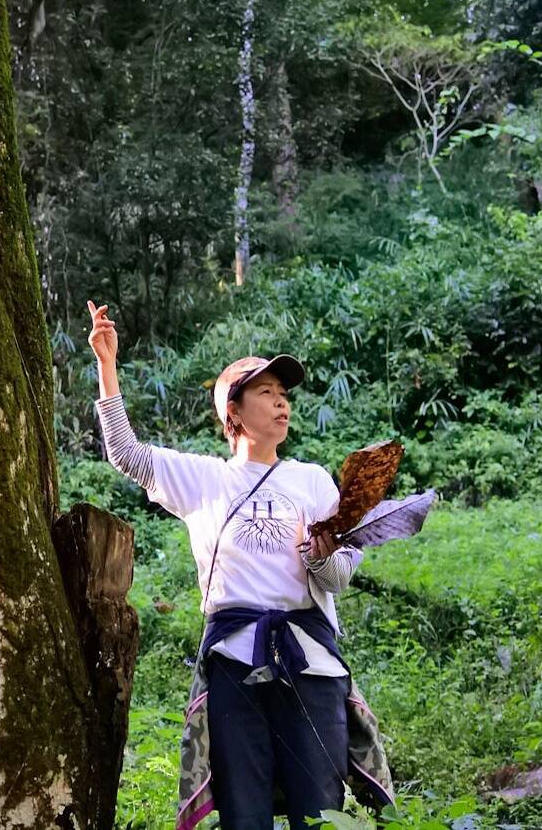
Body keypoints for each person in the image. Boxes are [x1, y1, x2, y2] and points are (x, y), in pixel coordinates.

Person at [86, 300, 394, 830]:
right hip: (234, 660)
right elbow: (127, 455)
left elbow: (339, 577)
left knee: (318, 806)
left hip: (313, 664)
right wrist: (106, 366)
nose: (281, 404)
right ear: (234, 412)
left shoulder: (314, 481)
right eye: (266, 393)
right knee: (243, 808)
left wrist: (321, 559)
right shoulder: (205, 479)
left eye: (284, 394)